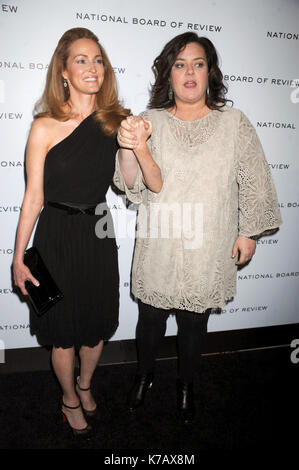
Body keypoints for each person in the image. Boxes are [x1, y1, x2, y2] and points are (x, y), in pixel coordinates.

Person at [114, 32, 282, 424]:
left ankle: (186, 385)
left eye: (198, 63)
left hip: (210, 243)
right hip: (160, 241)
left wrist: (249, 232)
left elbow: (254, 179)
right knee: (150, 320)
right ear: (168, 74)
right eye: (180, 64)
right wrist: (126, 145)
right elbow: (131, 184)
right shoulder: (149, 121)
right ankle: (145, 375)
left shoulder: (234, 122)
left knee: (194, 323)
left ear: (210, 72)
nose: (190, 72)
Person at [13, 27, 131, 436]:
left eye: (98, 59)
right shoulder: (44, 126)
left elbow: (130, 182)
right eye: (81, 59)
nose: (92, 67)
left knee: (96, 325)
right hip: (53, 237)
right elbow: (33, 198)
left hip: (99, 233)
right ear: (64, 70)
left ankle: (84, 384)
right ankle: (67, 398)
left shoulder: (118, 122)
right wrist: (17, 258)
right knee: (61, 335)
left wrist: (135, 145)